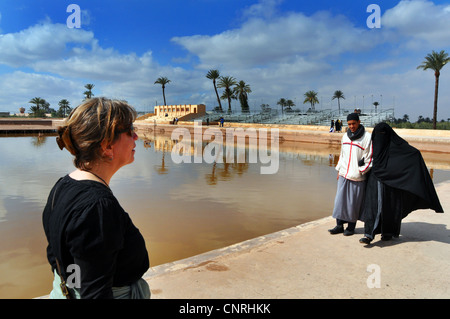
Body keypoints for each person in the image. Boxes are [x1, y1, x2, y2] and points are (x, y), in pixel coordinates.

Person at [42, 97, 150, 299]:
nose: (136, 136)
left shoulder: (62, 186)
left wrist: (73, 289)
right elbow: (96, 293)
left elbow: (58, 256)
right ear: (107, 147)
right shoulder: (97, 206)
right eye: (129, 131)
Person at [359, 122, 444, 244]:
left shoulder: (398, 148)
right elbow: (365, 159)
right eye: (377, 135)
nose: (379, 138)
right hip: (375, 179)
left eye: (382, 135)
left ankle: (388, 232)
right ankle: (368, 235)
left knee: (391, 207)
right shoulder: (372, 146)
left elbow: (413, 154)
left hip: (392, 183)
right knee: (373, 206)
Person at [329, 113, 373, 236]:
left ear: (359, 122)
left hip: (357, 177)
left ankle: (351, 227)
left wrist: (361, 171)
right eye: (349, 124)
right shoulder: (345, 137)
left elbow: (369, 158)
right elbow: (342, 155)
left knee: (353, 203)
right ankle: (339, 226)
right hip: (344, 174)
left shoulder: (367, 138)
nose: (351, 126)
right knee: (340, 201)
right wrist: (339, 170)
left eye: (353, 123)